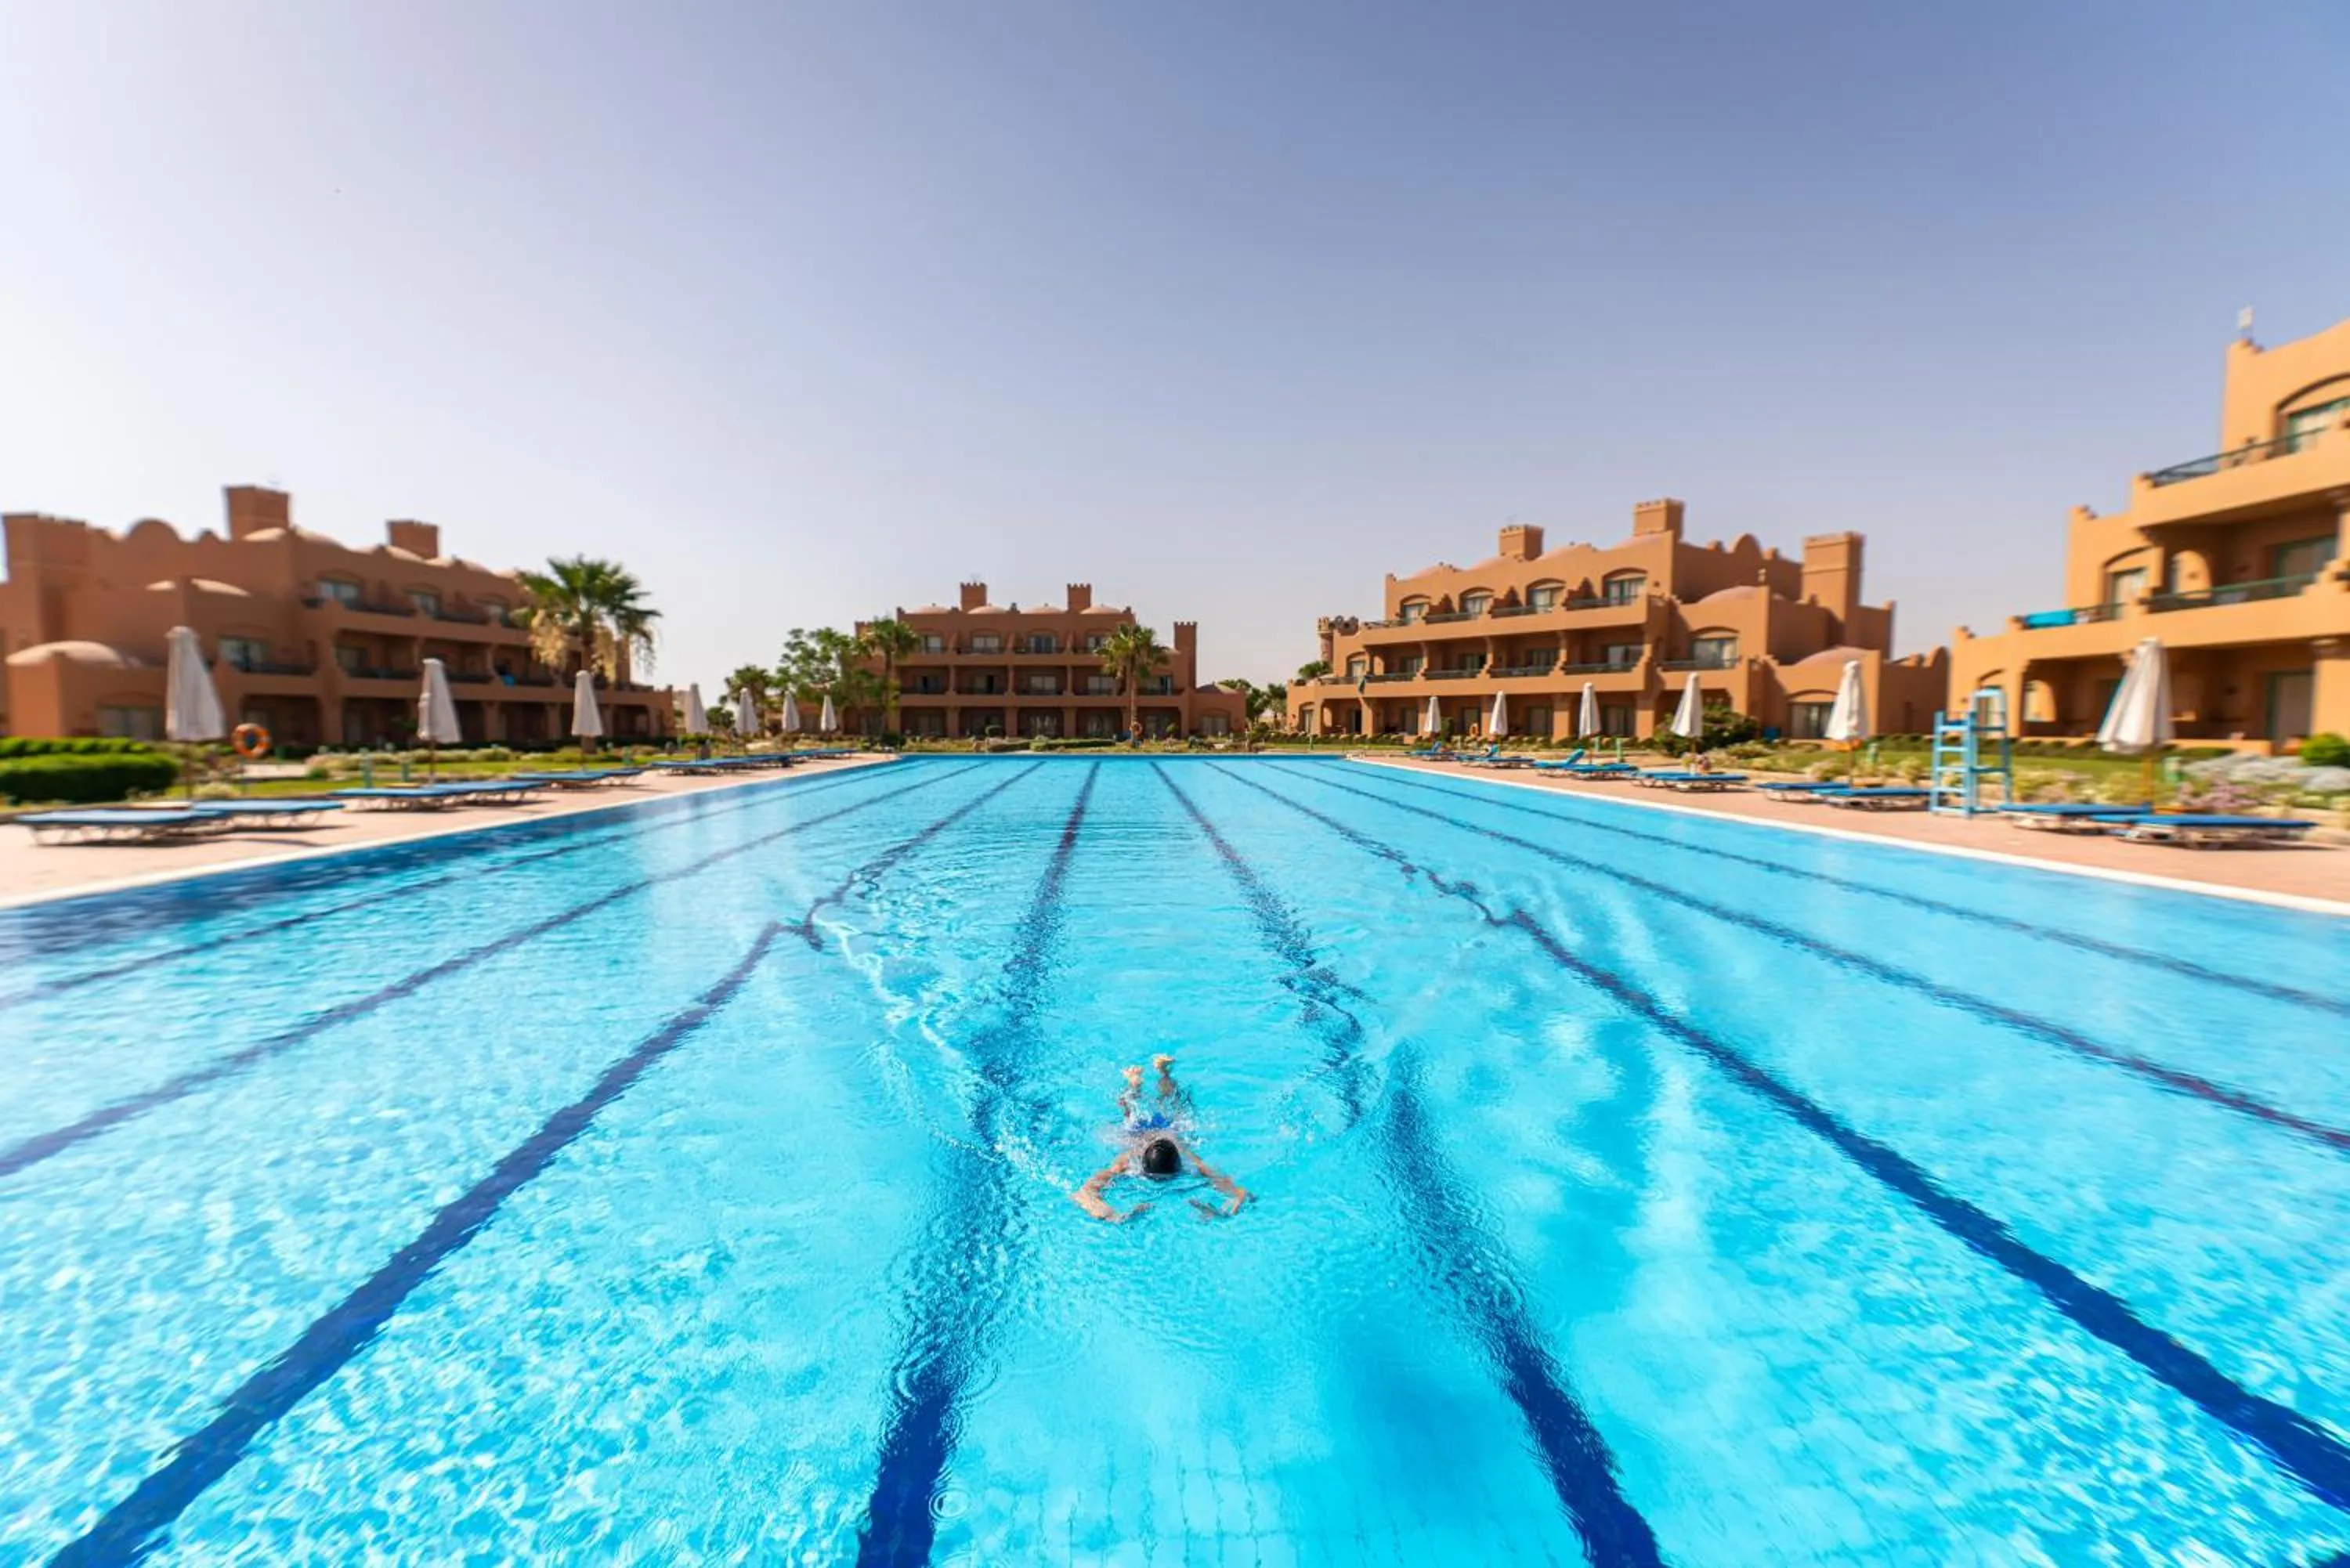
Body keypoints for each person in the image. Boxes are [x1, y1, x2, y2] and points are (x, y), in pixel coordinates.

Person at [1075, 1055, 1249, 1223]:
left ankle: (1140, 1081)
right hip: (1162, 1129)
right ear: (1179, 1164)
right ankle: (1161, 1073)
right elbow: (1240, 1192)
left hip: (1151, 1131)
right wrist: (1230, 1207)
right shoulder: (1189, 1160)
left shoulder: (1127, 1162)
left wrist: (1113, 1215)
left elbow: (1085, 1193)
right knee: (1150, 1109)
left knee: (1138, 1113)